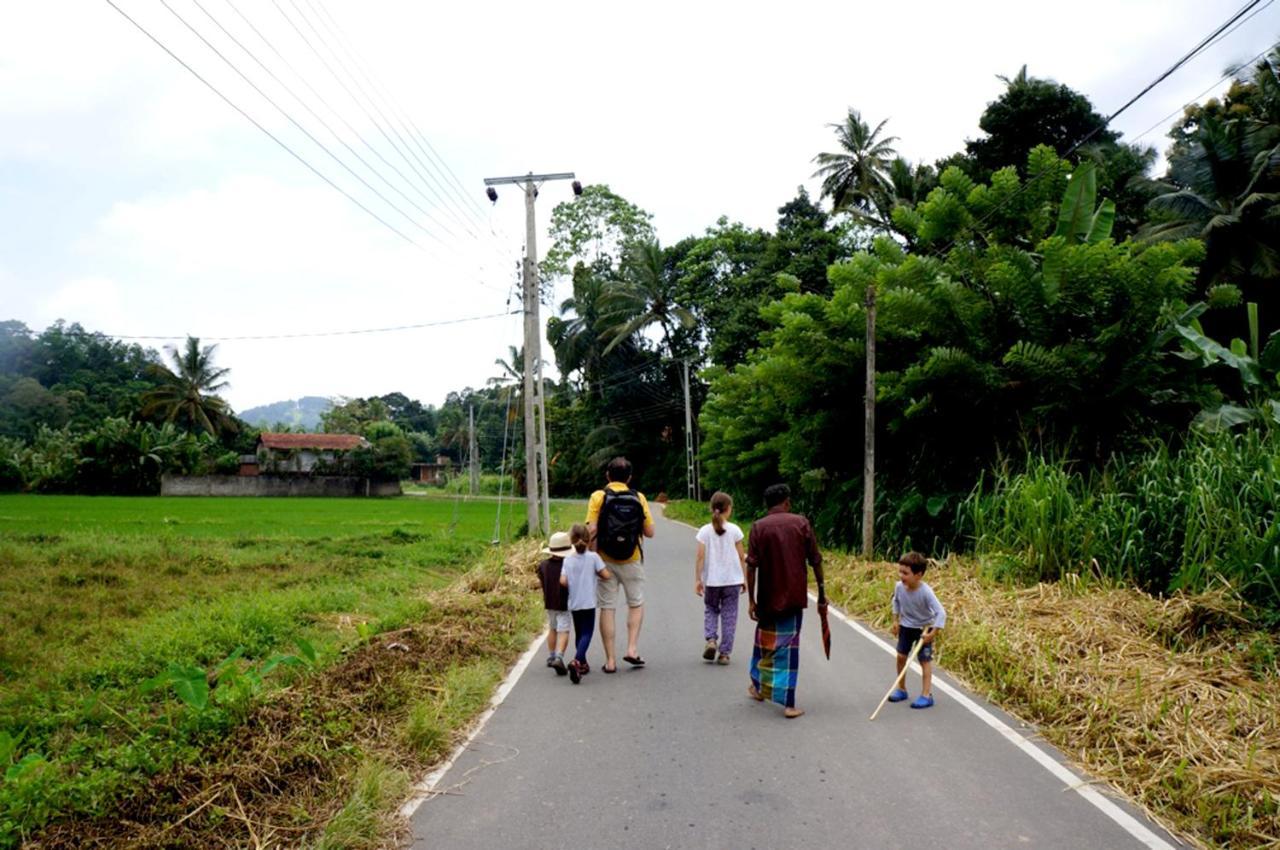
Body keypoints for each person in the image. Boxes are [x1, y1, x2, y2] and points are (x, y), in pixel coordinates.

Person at [745, 483, 824, 719]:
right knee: (788, 649)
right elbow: (816, 560)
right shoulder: (801, 523)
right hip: (792, 597)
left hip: (767, 598)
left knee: (764, 643)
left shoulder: (758, 527)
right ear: (787, 502)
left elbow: (751, 567)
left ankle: (758, 687)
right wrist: (821, 591)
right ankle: (789, 704)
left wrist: (751, 599)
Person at [586, 456, 655, 672]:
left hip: (605, 560)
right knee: (635, 603)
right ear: (629, 477)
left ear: (607, 475)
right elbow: (650, 532)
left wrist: (591, 556)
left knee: (607, 607)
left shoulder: (598, 496)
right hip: (632, 558)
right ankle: (632, 649)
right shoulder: (639, 497)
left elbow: (591, 530)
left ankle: (610, 661)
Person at [887, 551, 947, 709]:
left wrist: (933, 633)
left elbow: (941, 612)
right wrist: (896, 621)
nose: (901, 575)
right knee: (901, 656)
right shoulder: (899, 587)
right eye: (900, 571)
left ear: (919, 575)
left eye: (905, 573)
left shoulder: (926, 592)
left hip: (923, 629)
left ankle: (926, 695)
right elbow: (896, 601)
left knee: (924, 661)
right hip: (906, 626)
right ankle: (902, 689)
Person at [694, 491, 747, 665]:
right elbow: (741, 556)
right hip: (732, 580)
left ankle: (711, 640)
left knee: (711, 609)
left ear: (712, 508)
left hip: (712, 581)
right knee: (729, 615)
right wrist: (744, 578)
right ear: (728, 509)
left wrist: (698, 579)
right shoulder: (735, 530)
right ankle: (724, 653)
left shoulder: (704, 531)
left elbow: (700, 557)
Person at [560, 523, 611, 684]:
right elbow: (606, 575)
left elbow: (562, 581)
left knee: (579, 632)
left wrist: (573, 583)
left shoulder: (568, 560)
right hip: (588, 601)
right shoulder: (594, 557)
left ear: (571, 541)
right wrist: (597, 574)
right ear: (589, 540)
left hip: (574, 602)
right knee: (587, 633)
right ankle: (576, 661)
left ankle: (583, 663)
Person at [537, 531, 573, 676]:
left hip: (549, 602)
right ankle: (559, 656)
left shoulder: (543, 565)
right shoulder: (567, 565)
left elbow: (540, 579)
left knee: (552, 628)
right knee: (563, 630)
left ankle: (551, 655)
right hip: (563, 603)